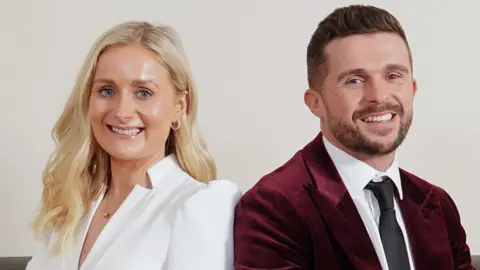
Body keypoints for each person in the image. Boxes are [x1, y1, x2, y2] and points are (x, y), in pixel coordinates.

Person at [234, 5, 476, 270]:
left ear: (413, 88)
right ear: (315, 102)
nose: (379, 95)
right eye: (355, 80)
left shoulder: (437, 203)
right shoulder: (274, 208)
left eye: (393, 76)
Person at [26, 21, 242, 270]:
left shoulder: (198, 205)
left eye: (143, 93)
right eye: (107, 91)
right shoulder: (69, 206)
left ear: (180, 106)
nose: (122, 112)